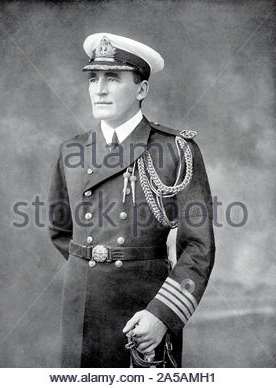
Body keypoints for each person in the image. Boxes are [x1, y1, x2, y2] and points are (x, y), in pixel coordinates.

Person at [48, 32, 215, 368]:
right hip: (81, 309)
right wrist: (95, 271)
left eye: (113, 77)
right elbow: (60, 230)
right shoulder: (72, 151)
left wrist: (162, 315)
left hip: (145, 309)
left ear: (141, 90)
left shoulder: (175, 150)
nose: (99, 89)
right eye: (93, 78)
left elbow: (198, 247)